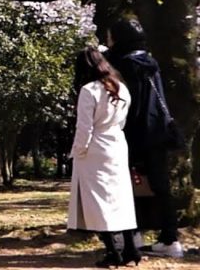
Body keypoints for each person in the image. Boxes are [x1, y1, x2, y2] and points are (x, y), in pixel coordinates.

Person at [105, 18, 183, 258]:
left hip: (132, 131)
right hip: (157, 130)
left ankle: (131, 234)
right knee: (161, 186)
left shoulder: (121, 64)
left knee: (125, 184)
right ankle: (170, 238)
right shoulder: (150, 61)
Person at [68, 47, 140, 268]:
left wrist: (78, 151)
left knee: (98, 203)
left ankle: (112, 250)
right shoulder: (122, 89)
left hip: (95, 150)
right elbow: (123, 122)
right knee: (121, 200)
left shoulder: (89, 91)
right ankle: (131, 247)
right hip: (117, 145)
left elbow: (84, 128)